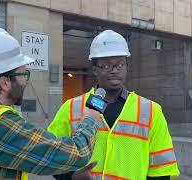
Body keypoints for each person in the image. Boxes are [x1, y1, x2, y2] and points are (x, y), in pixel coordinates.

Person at [0, 28, 102, 180]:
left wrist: (70, 176)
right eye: (24, 74)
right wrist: (91, 118)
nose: (26, 81)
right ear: (5, 83)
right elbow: (77, 153)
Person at [48, 30, 180, 180]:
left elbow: (162, 170)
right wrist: (71, 177)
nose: (114, 70)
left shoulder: (151, 111)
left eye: (120, 64)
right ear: (95, 70)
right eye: (106, 66)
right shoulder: (70, 108)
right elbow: (51, 156)